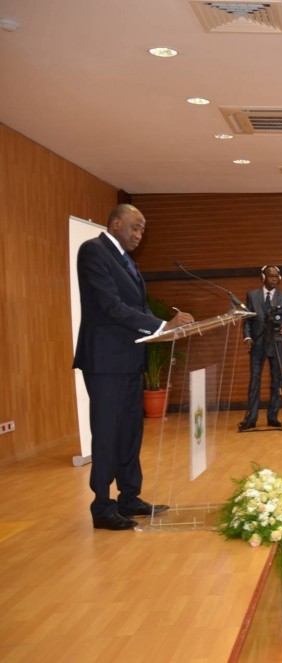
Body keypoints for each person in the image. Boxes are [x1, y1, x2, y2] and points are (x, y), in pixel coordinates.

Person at [74, 204, 194, 530]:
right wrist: (161, 326)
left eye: (143, 230)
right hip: (105, 361)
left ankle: (129, 496)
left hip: (129, 359)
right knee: (107, 432)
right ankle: (102, 506)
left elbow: (134, 305)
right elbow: (111, 306)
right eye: (135, 228)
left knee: (130, 431)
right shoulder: (93, 251)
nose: (139, 235)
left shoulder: (127, 261)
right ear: (115, 224)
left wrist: (160, 329)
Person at [239, 265, 282, 431]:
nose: (275, 279)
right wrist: (247, 336)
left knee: (276, 382)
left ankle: (273, 417)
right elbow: (248, 319)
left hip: (276, 344)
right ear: (263, 278)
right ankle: (251, 419)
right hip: (258, 344)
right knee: (255, 381)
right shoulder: (252, 295)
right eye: (271, 277)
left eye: (277, 277)